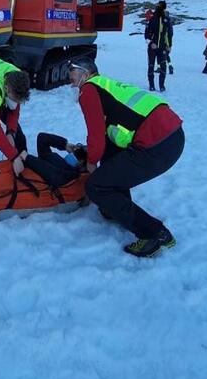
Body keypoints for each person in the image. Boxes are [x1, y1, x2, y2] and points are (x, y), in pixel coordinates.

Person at [67, 58, 183, 258]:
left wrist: (91, 162)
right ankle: (114, 209)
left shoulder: (88, 90)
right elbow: (108, 139)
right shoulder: (107, 87)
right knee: (110, 170)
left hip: (156, 143)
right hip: (172, 137)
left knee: (95, 186)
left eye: (72, 75)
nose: (70, 82)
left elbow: (95, 133)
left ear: (85, 74)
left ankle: (154, 234)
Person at [144, 0, 173, 92]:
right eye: (159, 6)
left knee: (163, 66)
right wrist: (151, 43)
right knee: (151, 65)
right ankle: (151, 85)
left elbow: (169, 34)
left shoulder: (167, 20)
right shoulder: (152, 19)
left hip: (162, 47)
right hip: (152, 47)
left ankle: (162, 85)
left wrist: (169, 45)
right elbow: (146, 33)